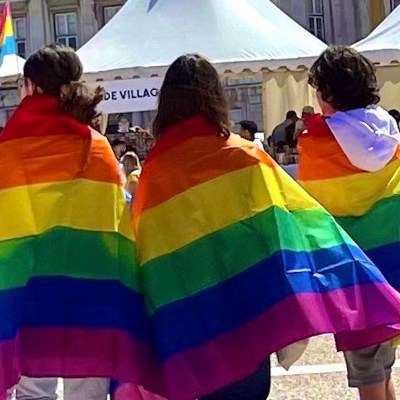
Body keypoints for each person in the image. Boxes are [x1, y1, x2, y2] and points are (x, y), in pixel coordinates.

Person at [121, 54, 400, 400]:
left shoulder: (155, 173)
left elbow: (145, 251)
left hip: (193, 323)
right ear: (215, 97)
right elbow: (292, 220)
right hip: (248, 316)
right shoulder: (245, 157)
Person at [0, 45, 146, 400]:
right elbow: (115, 226)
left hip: (29, 293)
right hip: (91, 290)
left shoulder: (8, 150)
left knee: (33, 391)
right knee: (89, 390)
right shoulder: (96, 148)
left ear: (30, 87)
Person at [298, 46, 400, 400]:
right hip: (394, 262)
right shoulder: (392, 134)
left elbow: (311, 208)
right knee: (383, 364)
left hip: (356, 272)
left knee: (368, 370)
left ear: (328, 93)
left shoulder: (316, 144)